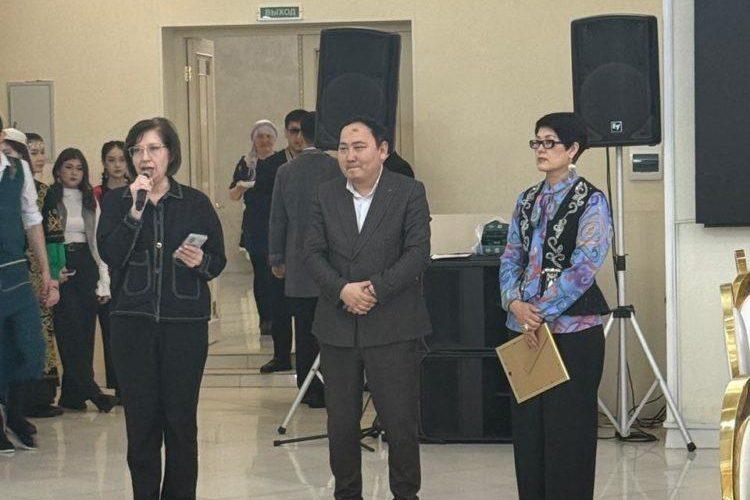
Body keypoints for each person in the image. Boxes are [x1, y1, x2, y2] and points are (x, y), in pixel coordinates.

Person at [97, 117, 226, 500]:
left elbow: (217, 260)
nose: (144, 157)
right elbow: (111, 254)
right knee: (141, 423)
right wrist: (135, 213)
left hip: (184, 325)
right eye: (137, 150)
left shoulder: (196, 203)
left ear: (170, 154)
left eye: (153, 148)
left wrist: (200, 261)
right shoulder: (118, 202)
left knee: (181, 421)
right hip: (131, 325)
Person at [305, 117, 432, 499]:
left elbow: (417, 253)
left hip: (393, 325)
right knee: (341, 424)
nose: (350, 156)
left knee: (400, 421)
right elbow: (312, 253)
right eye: (343, 148)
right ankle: (346, 493)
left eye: (359, 147)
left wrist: (374, 289)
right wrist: (342, 290)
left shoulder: (408, 192)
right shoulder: (325, 194)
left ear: (383, 150)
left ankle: (406, 493)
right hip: (338, 326)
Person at [499, 112, 612, 500]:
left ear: (573, 149)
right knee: (529, 434)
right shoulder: (526, 199)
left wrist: (539, 312)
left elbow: (585, 265)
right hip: (523, 330)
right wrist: (514, 302)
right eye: (537, 142)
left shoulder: (591, 200)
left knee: (569, 435)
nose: (541, 150)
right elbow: (510, 255)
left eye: (550, 142)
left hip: (573, 333)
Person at [269, 111, 341, 409]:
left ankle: (307, 387)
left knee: (304, 327)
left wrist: (276, 257)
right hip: (333, 263)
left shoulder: (286, 172)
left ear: (303, 135)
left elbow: (278, 218)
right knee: (332, 328)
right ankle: (333, 384)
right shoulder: (337, 168)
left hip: (298, 263)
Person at [233, 109, 306, 374]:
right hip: (276, 239)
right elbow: (263, 205)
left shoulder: (319, 162)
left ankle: (309, 357)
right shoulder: (271, 163)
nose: (298, 138)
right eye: (294, 131)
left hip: (308, 241)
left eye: (303, 132)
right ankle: (281, 355)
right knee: (278, 299)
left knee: (308, 305)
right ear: (286, 133)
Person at [0, 120, 57, 453]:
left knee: (30, 349)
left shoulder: (17, 170)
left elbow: (32, 219)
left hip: (15, 270)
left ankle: (14, 411)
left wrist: (46, 270)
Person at [45, 148, 114, 413]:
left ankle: (72, 396)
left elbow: (97, 240)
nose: (74, 173)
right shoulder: (50, 197)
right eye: (68, 167)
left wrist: (104, 279)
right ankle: (92, 390)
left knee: (85, 333)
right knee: (68, 332)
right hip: (63, 263)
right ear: (58, 171)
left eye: (79, 168)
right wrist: (53, 270)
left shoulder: (90, 199)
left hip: (86, 264)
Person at [228, 119, 278, 337]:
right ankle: (265, 319)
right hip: (255, 224)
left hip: (276, 222)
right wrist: (241, 186)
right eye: (260, 136)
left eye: (268, 136)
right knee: (261, 272)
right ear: (253, 139)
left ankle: (279, 317)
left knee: (276, 272)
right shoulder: (246, 163)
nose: (264, 140)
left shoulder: (280, 161)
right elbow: (233, 194)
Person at [93, 140, 130, 402]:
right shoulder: (96, 194)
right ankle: (117, 384)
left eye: (121, 159)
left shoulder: (137, 190)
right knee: (110, 327)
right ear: (104, 164)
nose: (117, 165)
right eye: (111, 160)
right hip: (105, 265)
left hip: (131, 266)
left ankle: (133, 383)